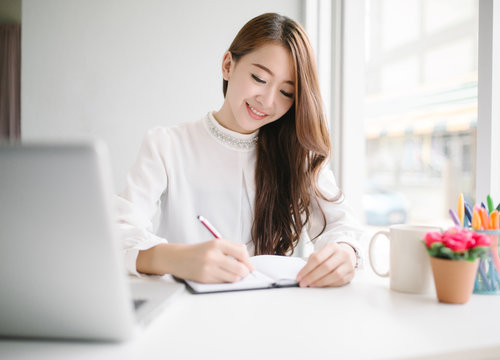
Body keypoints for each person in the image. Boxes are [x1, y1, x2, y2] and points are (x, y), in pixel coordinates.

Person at [117, 13, 363, 288]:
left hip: (263, 314)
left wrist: (345, 253)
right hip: (184, 313)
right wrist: (176, 259)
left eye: (286, 93)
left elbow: (343, 227)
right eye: (259, 78)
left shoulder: (296, 153)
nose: (267, 101)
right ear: (227, 65)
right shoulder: (166, 145)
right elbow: (118, 233)